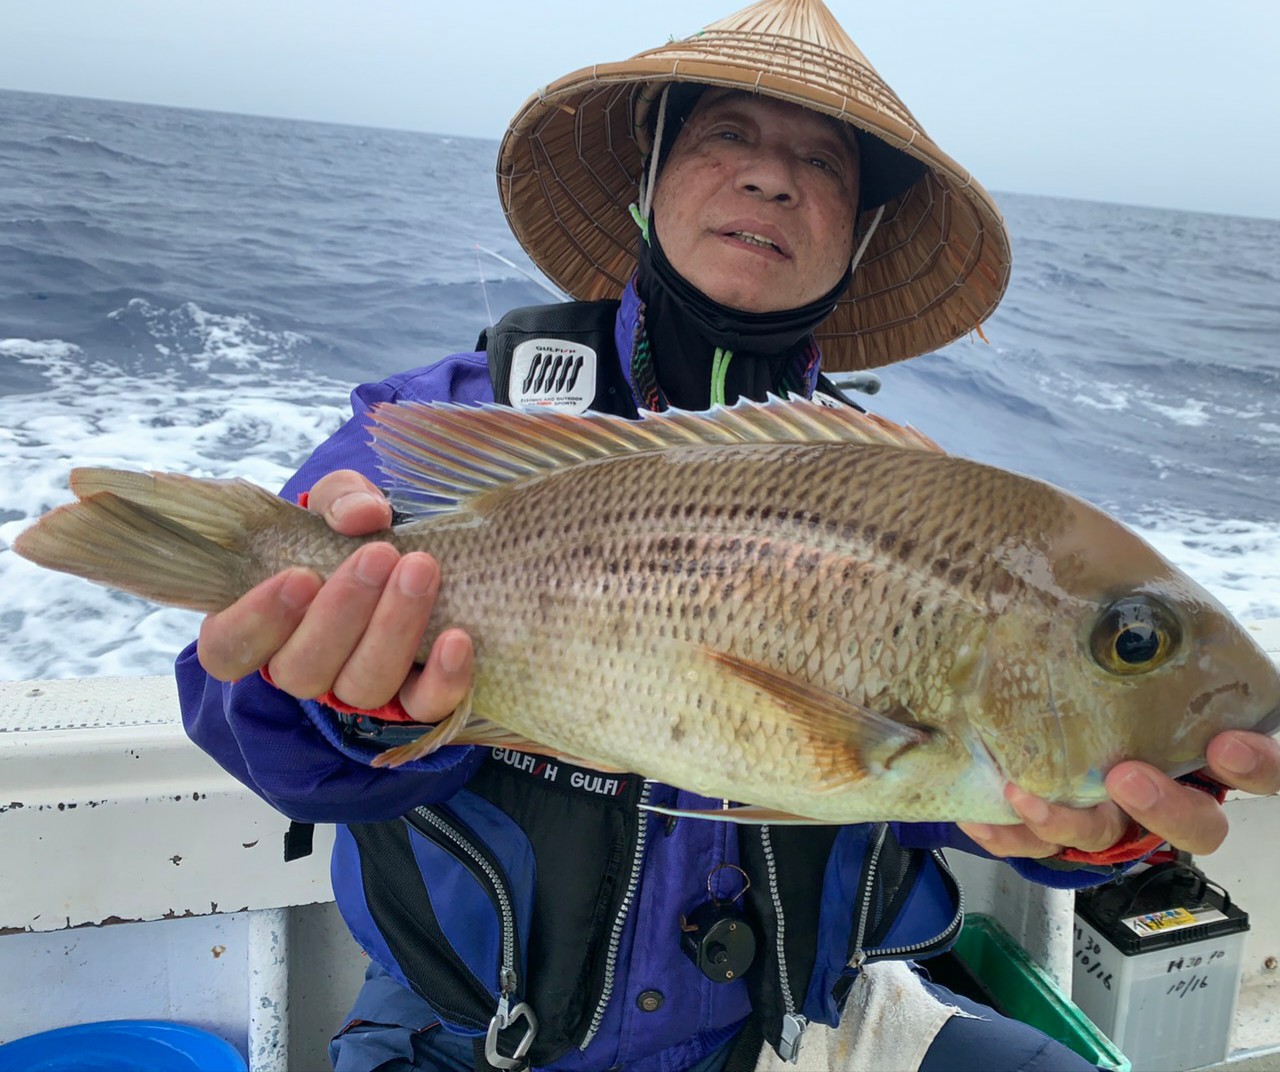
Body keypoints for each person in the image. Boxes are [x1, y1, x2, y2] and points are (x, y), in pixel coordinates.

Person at [177, 1, 1280, 1070]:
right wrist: (332, 704)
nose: (770, 175)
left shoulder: (912, 497)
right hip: (465, 1039)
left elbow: (957, 808)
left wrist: (1093, 819)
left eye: (826, 165)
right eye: (727, 134)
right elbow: (239, 718)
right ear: (647, 178)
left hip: (776, 1036)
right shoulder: (439, 432)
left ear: (861, 235)